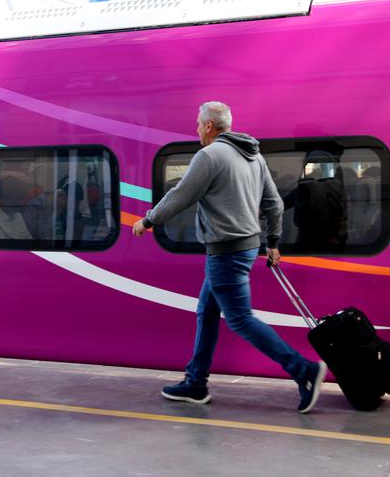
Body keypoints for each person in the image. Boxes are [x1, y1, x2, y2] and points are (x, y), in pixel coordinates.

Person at [132, 101, 326, 414]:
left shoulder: (209, 156)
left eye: (198, 124)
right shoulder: (254, 156)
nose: (196, 130)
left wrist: (149, 220)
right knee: (207, 311)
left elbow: (181, 195)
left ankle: (304, 370)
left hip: (226, 250)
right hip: (246, 246)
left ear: (209, 126)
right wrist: (273, 241)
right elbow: (274, 203)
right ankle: (196, 383)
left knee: (239, 318)